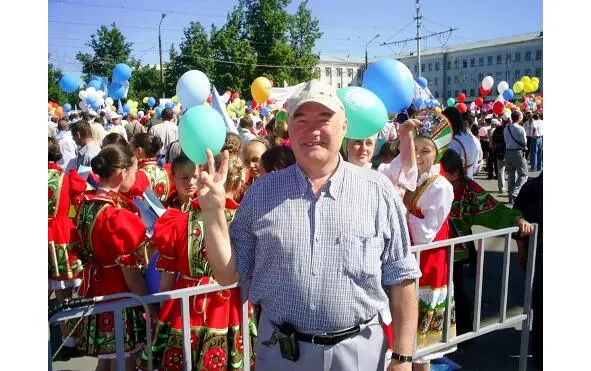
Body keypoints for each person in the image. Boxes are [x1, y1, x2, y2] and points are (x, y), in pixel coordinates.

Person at [196, 79, 422, 371]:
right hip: (281, 354)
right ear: (289, 128)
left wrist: (403, 358)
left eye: (324, 119)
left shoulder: (378, 191)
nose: (312, 131)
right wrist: (213, 213)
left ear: (344, 128)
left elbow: (402, 278)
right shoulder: (262, 192)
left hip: (359, 354)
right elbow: (228, 275)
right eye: (301, 120)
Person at [137, 153, 255, 371]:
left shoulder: (178, 222)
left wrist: (161, 313)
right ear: (239, 182)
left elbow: (167, 280)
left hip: (185, 306)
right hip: (230, 304)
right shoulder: (244, 220)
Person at [74, 145, 156, 371]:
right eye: (135, 170)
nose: (138, 176)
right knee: (125, 361)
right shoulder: (117, 217)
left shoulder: (87, 204)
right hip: (120, 295)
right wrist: (151, 308)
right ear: (121, 173)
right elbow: (132, 276)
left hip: (96, 289)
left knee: (105, 361)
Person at [439, 149, 534, 336]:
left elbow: (495, 211)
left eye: (441, 172)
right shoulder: (421, 183)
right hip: (425, 252)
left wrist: (516, 220)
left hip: (453, 252)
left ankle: (460, 334)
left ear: (455, 172)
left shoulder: (467, 189)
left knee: (453, 292)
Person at [402, 111, 455, 370]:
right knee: (404, 347)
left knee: (421, 350)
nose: (420, 156)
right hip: (409, 265)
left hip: (429, 268)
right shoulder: (410, 178)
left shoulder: (440, 186)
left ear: (437, 154)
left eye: (426, 150)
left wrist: (402, 214)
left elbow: (427, 233)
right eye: (416, 149)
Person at [48, 137, 87, 359]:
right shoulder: (66, 177)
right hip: (61, 235)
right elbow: (79, 197)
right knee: (64, 293)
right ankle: (69, 340)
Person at [513, 172, 543, 370]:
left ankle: (540, 354)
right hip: (539, 252)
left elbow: (519, 225)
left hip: (538, 254)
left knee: (540, 307)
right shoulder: (531, 188)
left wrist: (522, 252)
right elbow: (519, 222)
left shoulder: (530, 187)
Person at [128, 132, 174, 203]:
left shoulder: (137, 176)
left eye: (129, 147)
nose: (127, 150)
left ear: (139, 151)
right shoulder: (168, 171)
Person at [445, 107, 481, 179]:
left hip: (453, 180)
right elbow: (476, 162)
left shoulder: (451, 140)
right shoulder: (473, 138)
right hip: (469, 178)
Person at [504, 110, 528, 203]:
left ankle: (510, 196)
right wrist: (525, 147)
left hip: (508, 151)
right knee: (523, 174)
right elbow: (524, 142)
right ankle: (514, 193)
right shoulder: (520, 128)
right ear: (519, 118)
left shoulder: (506, 128)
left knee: (511, 174)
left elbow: (506, 141)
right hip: (517, 152)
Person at [491, 115, 508, 193]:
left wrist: (496, 147)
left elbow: (493, 140)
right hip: (508, 151)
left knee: (500, 171)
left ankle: (501, 188)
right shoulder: (509, 129)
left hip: (499, 151)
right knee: (512, 171)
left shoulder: (496, 129)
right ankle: (512, 189)